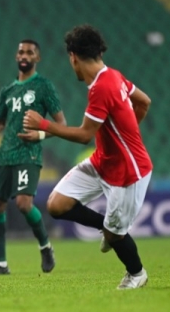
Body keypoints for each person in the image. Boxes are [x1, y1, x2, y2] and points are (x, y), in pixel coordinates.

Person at [23, 24, 153, 290]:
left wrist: (43, 124)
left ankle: (136, 273)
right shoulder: (113, 76)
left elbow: (84, 135)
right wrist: (125, 135)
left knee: (117, 235)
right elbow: (144, 102)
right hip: (103, 162)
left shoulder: (101, 88)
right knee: (57, 205)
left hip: (128, 172)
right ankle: (106, 228)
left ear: (73, 57)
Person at [0, 40, 66, 276]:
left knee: (24, 203)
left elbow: (61, 124)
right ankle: (1, 264)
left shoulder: (44, 86)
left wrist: (41, 133)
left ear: (37, 58)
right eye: (21, 52)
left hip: (28, 153)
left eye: (30, 52)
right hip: (5, 155)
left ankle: (45, 246)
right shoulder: (7, 90)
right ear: (17, 56)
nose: (24, 55)